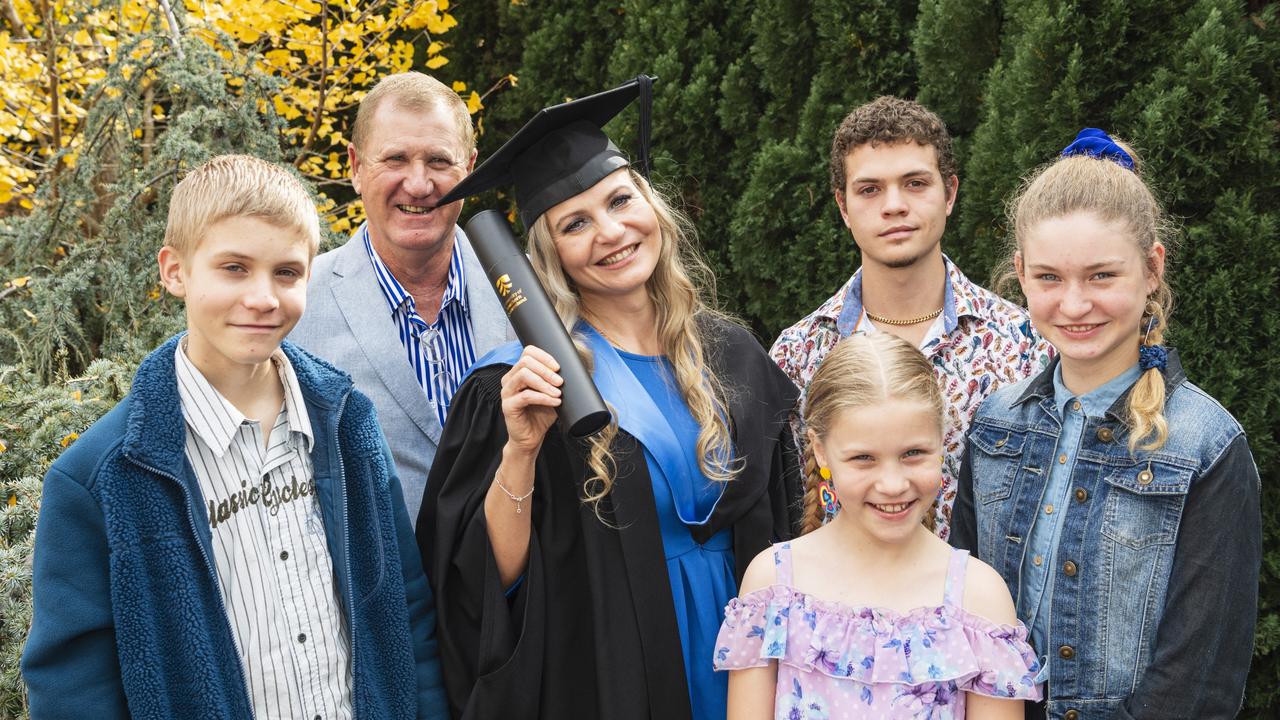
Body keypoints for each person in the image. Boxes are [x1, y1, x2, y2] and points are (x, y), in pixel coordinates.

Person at [417, 77, 803, 720]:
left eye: (621, 201)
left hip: (755, 664)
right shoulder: (525, 385)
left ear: (651, 206)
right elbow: (493, 582)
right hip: (614, 674)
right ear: (551, 256)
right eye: (576, 223)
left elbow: (790, 522)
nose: (611, 231)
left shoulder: (732, 354)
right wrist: (520, 451)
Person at [21, 155, 448, 719]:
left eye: (287, 273)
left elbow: (406, 609)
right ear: (175, 271)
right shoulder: (100, 477)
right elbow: (73, 685)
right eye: (234, 268)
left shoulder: (349, 425)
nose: (264, 298)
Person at [950, 129, 1262, 719]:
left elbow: (1200, 677)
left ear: (1151, 269)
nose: (1073, 305)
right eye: (1048, 278)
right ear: (1019, 273)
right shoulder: (994, 425)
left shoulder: (1206, 445)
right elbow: (964, 614)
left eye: (1101, 276)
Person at [716, 333, 1041, 719]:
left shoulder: (979, 598)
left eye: (913, 453)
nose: (892, 484)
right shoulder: (772, 584)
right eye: (863, 458)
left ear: (943, 439)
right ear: (821, 450)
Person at [770, 97, 1052, 538]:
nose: (894, 205)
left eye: (915, 183)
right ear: (843, 207)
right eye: (870, 189)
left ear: (950, 194)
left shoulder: (1023, 344)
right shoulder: (798, 353)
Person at [290, 72, 513, 523]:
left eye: (438, 161)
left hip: (521, 586)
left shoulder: (526, 292)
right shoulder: (296, 307)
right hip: (376, 590)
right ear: (355, 167)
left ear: (469, 168)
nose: (418, 184)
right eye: (395, 159)